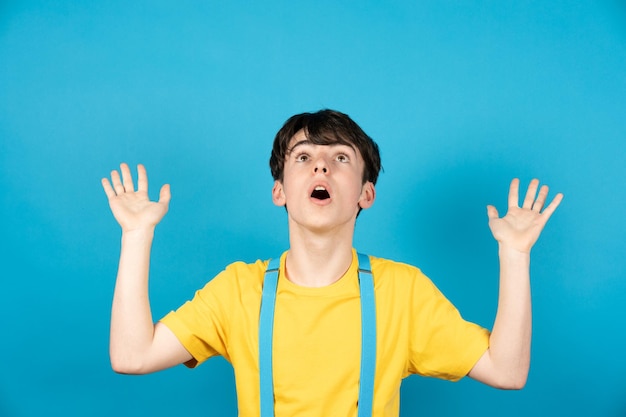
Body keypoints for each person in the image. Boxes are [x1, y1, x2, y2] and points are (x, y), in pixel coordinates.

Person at [101, 109, 563, 417]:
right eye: (303, 157)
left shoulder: (402, 292)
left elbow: (507, 371)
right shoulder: (237, 291)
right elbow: (131, 355)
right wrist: (136, 236)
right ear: (279, 191)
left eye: (340, 157)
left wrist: (515, 255)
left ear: (366, 193)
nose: (321, 167)